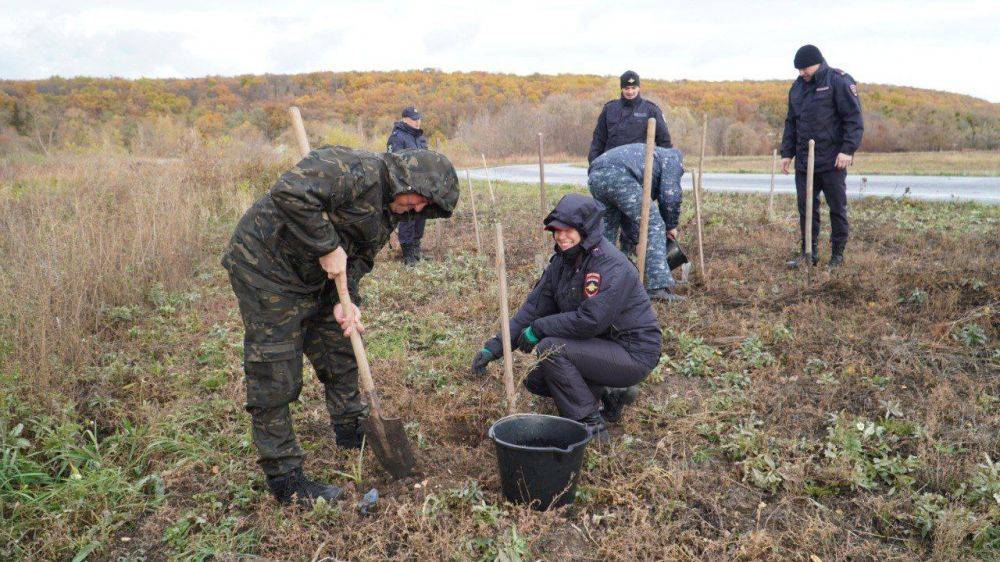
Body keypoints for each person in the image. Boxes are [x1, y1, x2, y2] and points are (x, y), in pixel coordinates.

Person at [222, 146, 458, 505]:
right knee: (276, 370)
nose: (420, 208)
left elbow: (358, 258)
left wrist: (345, 303)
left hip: (318, 278)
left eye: (427, 205)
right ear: (407, 179)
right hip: (268, 269)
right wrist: (326, 245)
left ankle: (351, 430)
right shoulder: (354, 169)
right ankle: (286, 478)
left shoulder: (391, 208)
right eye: (421, 198)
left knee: (340, 347)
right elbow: (289, 192)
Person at [470, 194, 662, 439]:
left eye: (568, 229)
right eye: (556, 230)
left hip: (633, 352)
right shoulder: (561, 263)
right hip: (600, 346)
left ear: (587, 229)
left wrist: (539, 329)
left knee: (552, 349)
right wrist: (495, 348)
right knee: (536, 381)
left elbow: (589, 321)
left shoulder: (610, 266)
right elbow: (532, 310)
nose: (561, 236)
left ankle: (590, 424)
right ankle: (611, 395)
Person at [780, 44, 864, 268]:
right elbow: (791, 122)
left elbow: (853, 119)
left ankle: (837, 255)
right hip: (804, 163)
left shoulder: (838, 81)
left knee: (837, 208)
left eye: (804, 68)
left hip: (832, 161)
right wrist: (786, 153)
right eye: (798, 70)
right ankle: (809, 252)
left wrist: (848, 150)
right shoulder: (797, 88)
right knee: (806, 208)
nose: (801, 73)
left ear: (817, 63)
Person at [589, 143, 685, 302]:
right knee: (654, 225)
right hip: (618, 175)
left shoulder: (652, 157)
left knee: (606, 234)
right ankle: (657, 287)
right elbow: (670, 195)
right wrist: (670, 225)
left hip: (596, 176)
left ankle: (603, 281)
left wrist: (632, 242)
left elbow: (631, 216)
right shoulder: (674, 158)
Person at [588, 70, 672, 166]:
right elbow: (598, 140)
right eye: (627, 88)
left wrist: (666, 167)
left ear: (638, 88)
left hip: (639, 167)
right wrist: (593, 164)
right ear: (622, 88)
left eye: (633, 87)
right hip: (611, 165)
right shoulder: (609, 109)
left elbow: (664, 142)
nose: (630, 91)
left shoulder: (651, 110)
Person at [387, 106, 430, 266]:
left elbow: (426, 158)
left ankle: (416, 250)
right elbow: (393, 162)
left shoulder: (420, 137)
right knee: (408, 218)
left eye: (418, 118)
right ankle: (407, 255)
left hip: (422, 185)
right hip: (405, 186)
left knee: (421, 216)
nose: (417, 121)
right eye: (413, 119)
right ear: (404, 119)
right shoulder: (396, 137)